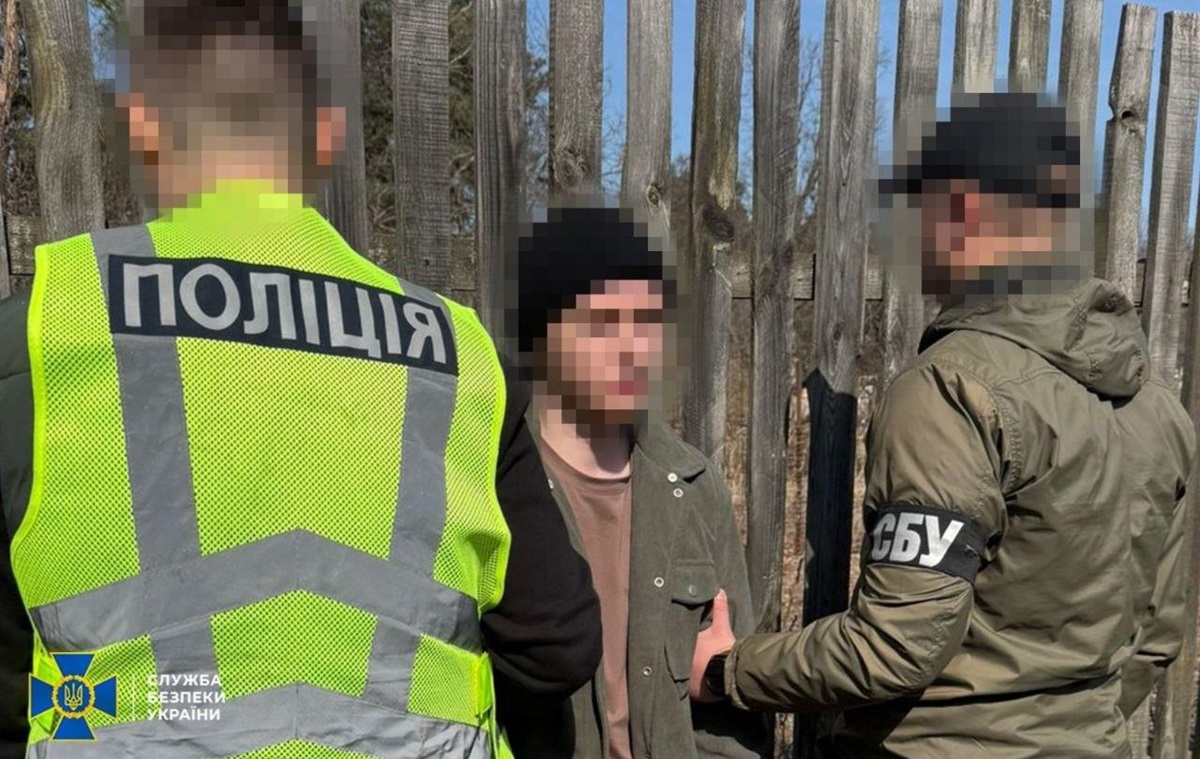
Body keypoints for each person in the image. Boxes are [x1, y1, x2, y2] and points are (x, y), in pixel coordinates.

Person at [0, 0, 602, 756]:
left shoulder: (46, 329)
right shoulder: (457, 356)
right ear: (323, 137)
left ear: (147, 129)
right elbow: (558, 643)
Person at [688, 92, 1196, 758]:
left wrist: (727, 671)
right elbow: (1155, 635)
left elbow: (896, 645)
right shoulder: (1157, 406)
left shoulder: (952, 390)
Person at [501, 204, 771, 759]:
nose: (634, 347)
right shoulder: (495, 477)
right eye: (604, 323)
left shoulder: (693, 485)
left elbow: (735, 718)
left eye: (648, 321)